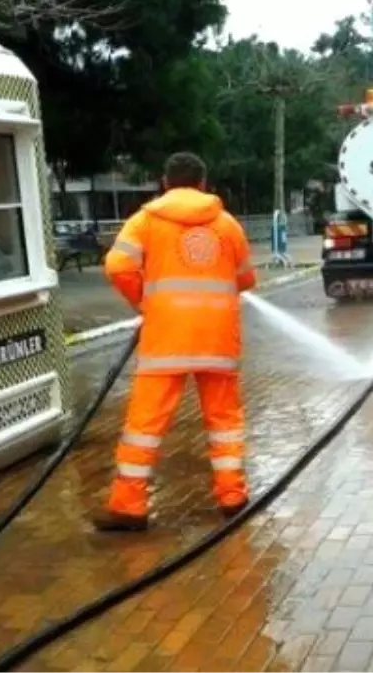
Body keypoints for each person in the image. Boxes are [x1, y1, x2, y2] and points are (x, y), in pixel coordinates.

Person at [94, 151, 257, 531]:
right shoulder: (227, 224)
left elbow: (117, 266)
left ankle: (129, 505)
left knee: (144, 424)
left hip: (165, 338)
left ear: (165, 183)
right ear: (203, 183)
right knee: (224, 420)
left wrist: (144, 301)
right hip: (217, 339)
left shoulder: (145, 221)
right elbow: (246, 279)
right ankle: (232, 496)